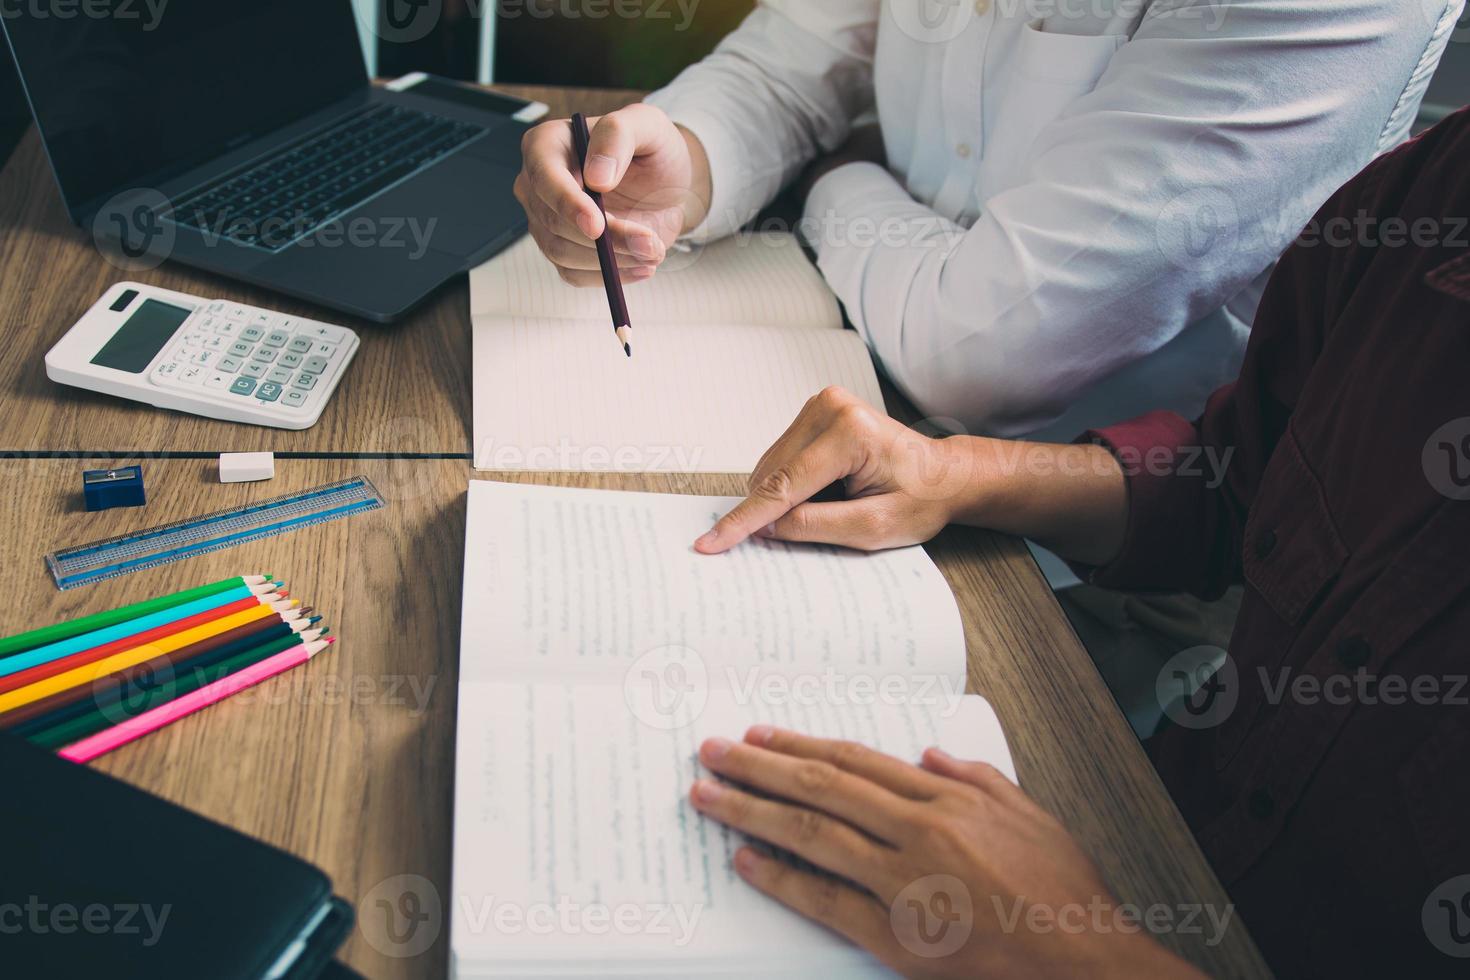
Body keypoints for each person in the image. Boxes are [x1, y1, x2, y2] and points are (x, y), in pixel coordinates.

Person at [683, 106, 1470, 977]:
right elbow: (1242, 477)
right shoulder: (1435, 186)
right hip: (1146, 816)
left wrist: (1084, 956)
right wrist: (959, 473)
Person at [515, 0, 1462, 440]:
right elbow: (787, 68)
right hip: (833, 368)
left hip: (1102, 558)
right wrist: (687, 155)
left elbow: (981, 349)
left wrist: (837, 182)